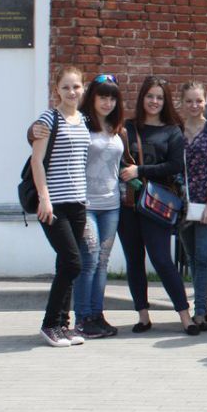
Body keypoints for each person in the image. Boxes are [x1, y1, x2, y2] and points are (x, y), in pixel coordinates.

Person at [119, 77, 199, 336]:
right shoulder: (128, 128)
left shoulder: (172, 131)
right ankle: (143, 316)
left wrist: (140, 170)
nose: (154, 101)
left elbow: (175, 165)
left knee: (162, 259)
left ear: (165, 101)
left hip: (156, 204)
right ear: (142, 97)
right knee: (134, 260)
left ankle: (185, 316)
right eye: (150, 96)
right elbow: (117, 159)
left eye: (159, 97)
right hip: (128, 204)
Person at [31, 66, 91, 347]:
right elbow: (37, 161)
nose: (71, 92)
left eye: (76, 86)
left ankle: (62, 325)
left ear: (83, 88)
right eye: (66, 87)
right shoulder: (48, 119)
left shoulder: (84, 120)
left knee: (65, 264)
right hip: (54, 205)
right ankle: (49, 324)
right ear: (56, 89)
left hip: (78, 203)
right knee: (72, 262)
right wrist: (44, 198)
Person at [65, 73, 123, 340]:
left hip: (112, 204)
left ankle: (97, 315)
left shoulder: (117, 128)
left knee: (102, 262)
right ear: (93, 98)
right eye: (103, 97)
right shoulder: (80, 125)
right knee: (88, 260)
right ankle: (82, 318)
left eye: (112, 98)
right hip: (86, 203)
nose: (107, 102)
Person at [179, 81, 207, 332]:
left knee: (203, 257)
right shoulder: (177, 130)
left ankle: (201, 310)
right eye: (189, 101)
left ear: (205, 101)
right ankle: (200, 305)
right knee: (191, 257)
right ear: (182, 103)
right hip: (182, 204)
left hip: (205, 201)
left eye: (199, 101)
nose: (194, 105)